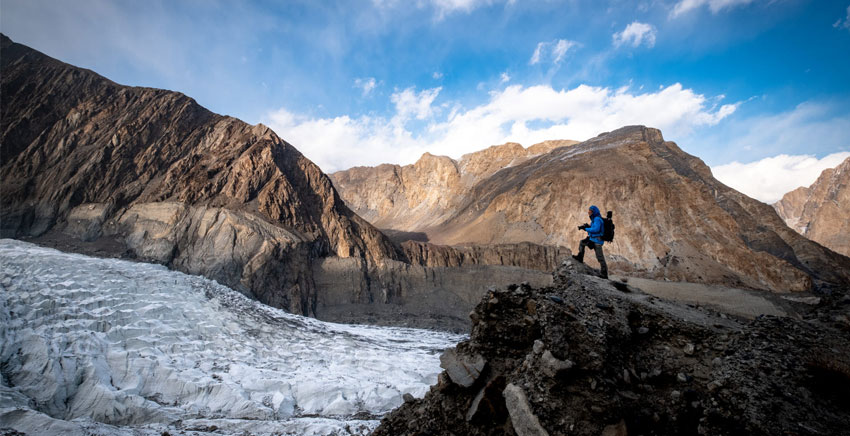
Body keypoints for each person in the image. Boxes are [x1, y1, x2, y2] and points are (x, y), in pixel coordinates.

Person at [572, 205, 608, 279]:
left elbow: (596, 230)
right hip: (592, 239)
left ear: (594, 212)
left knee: (600, 258)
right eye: (589, 211)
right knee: (582, 243)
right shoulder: (594, 219)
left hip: (597, 241)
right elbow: (592, 228)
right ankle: (580, 257)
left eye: (590, 211)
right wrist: (586, 227)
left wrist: (586, 229)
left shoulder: (597, 219)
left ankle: (604, 274)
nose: (588, 212)